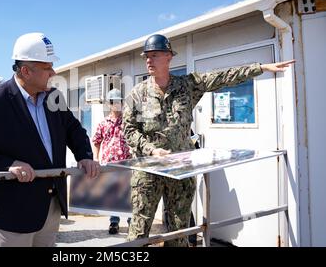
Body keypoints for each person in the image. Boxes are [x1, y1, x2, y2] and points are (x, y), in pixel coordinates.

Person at [123, 34, 295, 247]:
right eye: (146, 56)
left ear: (168, 57)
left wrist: (260, 68)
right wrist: (150, 150)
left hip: (180, 168)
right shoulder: (137, 94)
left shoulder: (188, 85)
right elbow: (129, 130)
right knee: (139, 230)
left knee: (179, 230)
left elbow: (222, 77)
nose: (148, 60)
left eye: (154, 55)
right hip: (147, 170)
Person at [0, 32, 100, 247]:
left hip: (49, 208)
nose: (53, 72)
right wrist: (8, 164)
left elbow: (74, 130)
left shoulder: (54, 98)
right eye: (47, 67)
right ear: (26, 70)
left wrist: (85, 156)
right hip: (8, 214)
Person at [92, 88, 131, 235]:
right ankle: (114, 223)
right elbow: (96, 141)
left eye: (119, 101)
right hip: (109, 165)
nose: (117, 104)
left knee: (127, 194)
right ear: (109, 104)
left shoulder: (128, 122)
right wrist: (96, 158)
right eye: (113, 102)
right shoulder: (104, 123)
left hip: (127, 164)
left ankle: (131, 222)